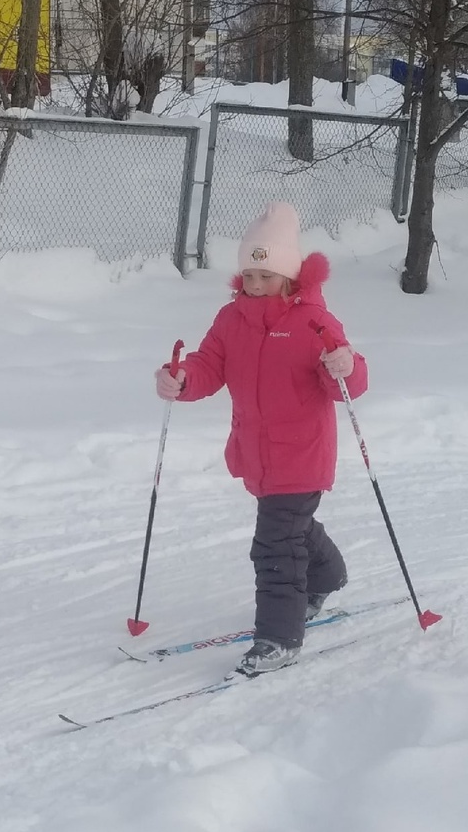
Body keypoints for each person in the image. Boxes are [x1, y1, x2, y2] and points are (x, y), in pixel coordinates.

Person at [155, 201, 368, 676]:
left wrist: (347, 366)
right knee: (292, 531)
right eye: (248, 274)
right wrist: (183, 378)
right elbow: (209, 365)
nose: (253, 284)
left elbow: (348, 383)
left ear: (290, 275)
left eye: (265, 275)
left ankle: (278, 637)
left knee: (274, 544)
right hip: (256, 453)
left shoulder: (313, 321)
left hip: (301, 455)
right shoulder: (233, 319)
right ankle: (328, 575)